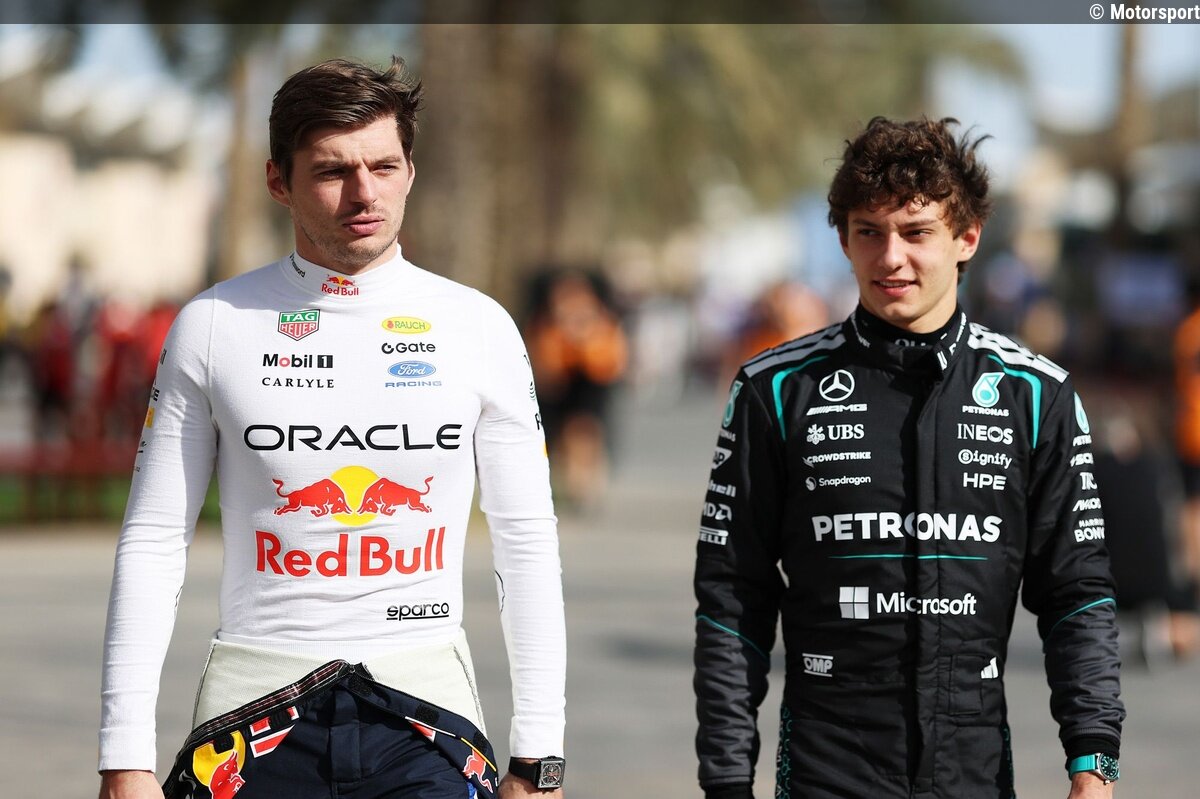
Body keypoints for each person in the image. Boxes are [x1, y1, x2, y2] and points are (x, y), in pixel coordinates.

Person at [98, 57, 566, 799]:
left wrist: (540, 759)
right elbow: (154, 538)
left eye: (384, 166)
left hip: (428, 720)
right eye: (332, 171)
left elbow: (527, 539)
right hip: (251, 715)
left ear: (411, 171)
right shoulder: (213, 325)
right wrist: (124, 755)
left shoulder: (479, 327)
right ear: (277, 181)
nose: (364, 193)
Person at [693, 117, 1123, 798]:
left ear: (967, 238)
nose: (891, 257)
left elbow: (1078, 592)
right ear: (843, 240)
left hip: (971, 769)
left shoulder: (1035, 395)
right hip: (826, 768)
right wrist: (725, 780)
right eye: (869, 231)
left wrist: (1095, 764)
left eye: (917, 232)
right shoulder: (774, 389)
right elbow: (730, 596)